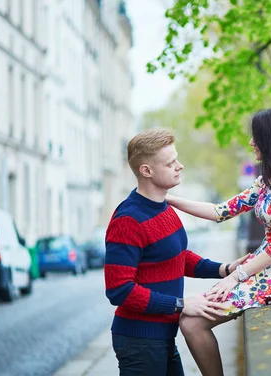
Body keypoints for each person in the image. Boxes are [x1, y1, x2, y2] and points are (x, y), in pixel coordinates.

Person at [166, 106, 271, 376]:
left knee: (193, 320)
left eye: (257, 137)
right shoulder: (268, 182)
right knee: (191, 319)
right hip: (265, 268)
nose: (252, 142)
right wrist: (168, 199)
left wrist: (235, 276)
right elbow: (220, 212)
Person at [104, 128, 248, 376]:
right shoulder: (128, 220)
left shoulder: (164, 208)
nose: (179, 166)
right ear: (146, 171)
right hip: (139, 342)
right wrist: (180, 305)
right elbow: (119, 290)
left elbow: (177, 257)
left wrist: (225, 269)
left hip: (163, 337)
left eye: (177, 159)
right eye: (170, 163)